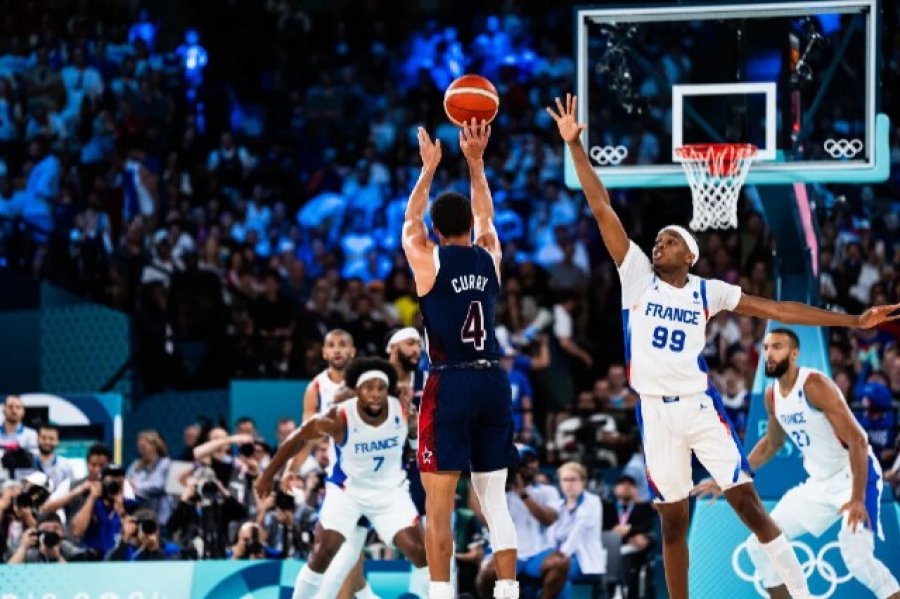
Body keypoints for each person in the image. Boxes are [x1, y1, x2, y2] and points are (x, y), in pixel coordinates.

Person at [546, 93, 900, 599]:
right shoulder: (636, 277)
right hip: (653, 413)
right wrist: (576, 145)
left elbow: (777, 309)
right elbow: (599, 204)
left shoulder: (708, 291)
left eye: (668, 241)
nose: (656, 246)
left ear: (689, 253)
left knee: (751, 508)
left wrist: (851, 319)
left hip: (698, 407)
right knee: (670, 522)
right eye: (657, 242)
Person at [402, 121, 519, 599]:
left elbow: (410, 225)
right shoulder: (488, 254)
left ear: (436, 229)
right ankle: (509, 594)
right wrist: (476, 162)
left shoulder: (428, 259)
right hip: (493, 380)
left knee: (439, 506)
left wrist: (427, 170)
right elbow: (488, 220)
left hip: (449, 383)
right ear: (468, 227)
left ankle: (440, 596)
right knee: (495, 501)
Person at [693, 329, 900, 599]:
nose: (769, 353)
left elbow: (859, 441)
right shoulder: (772, 395)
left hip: (854, 477)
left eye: (777, 347)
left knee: (858, 558)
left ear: (794, 354)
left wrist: (858, 499)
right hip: (820, 483)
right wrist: (731, 477)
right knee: (760, 544)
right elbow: (770, 443)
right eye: (766, 347)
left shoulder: (814, 385)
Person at [255, 356, 428, 598]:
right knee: (322, 554)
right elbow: (297, 439)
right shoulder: (338, 417)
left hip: (389, 493)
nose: (376, 394)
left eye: (381, 388)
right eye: (369, 388)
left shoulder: (403, 411)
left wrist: (412, 449)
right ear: (357, 390)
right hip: (348, 492)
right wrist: (267, 475)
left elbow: (414, 434)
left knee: (421, 554)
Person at [477, 445, 567, 599]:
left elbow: (548, 519)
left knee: (560, 563)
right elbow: (487, 520)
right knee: (487, 573)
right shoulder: (497, 491)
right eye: (524, 463)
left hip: (538, 552)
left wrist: (523, 494)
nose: (531, 466)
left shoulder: (547, 491)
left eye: (533, 461)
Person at [547, 462, 606, 598]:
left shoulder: (593, 502)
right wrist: (551, 554)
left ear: (583, 482)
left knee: (557, 572)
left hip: (584, 560)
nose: (569, 484)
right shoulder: (557, 505)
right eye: (565, 480)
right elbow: (552, 535)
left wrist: (560, 556)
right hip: (557, 556)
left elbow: (579, 531)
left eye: (573, 479)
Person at [604, 475, 655, 599]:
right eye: (622, 484)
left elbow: (647, 527)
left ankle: (621, 592)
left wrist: (630, 529)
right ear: (615, 489)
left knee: (632, 549)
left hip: (634, 549)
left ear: (636, 490)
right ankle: (618, 590)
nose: (626, 487)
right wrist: (615, 531)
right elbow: (602, 527)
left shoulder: (645, 508)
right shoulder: (606, 507)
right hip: (609, 547)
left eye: (631, 484)